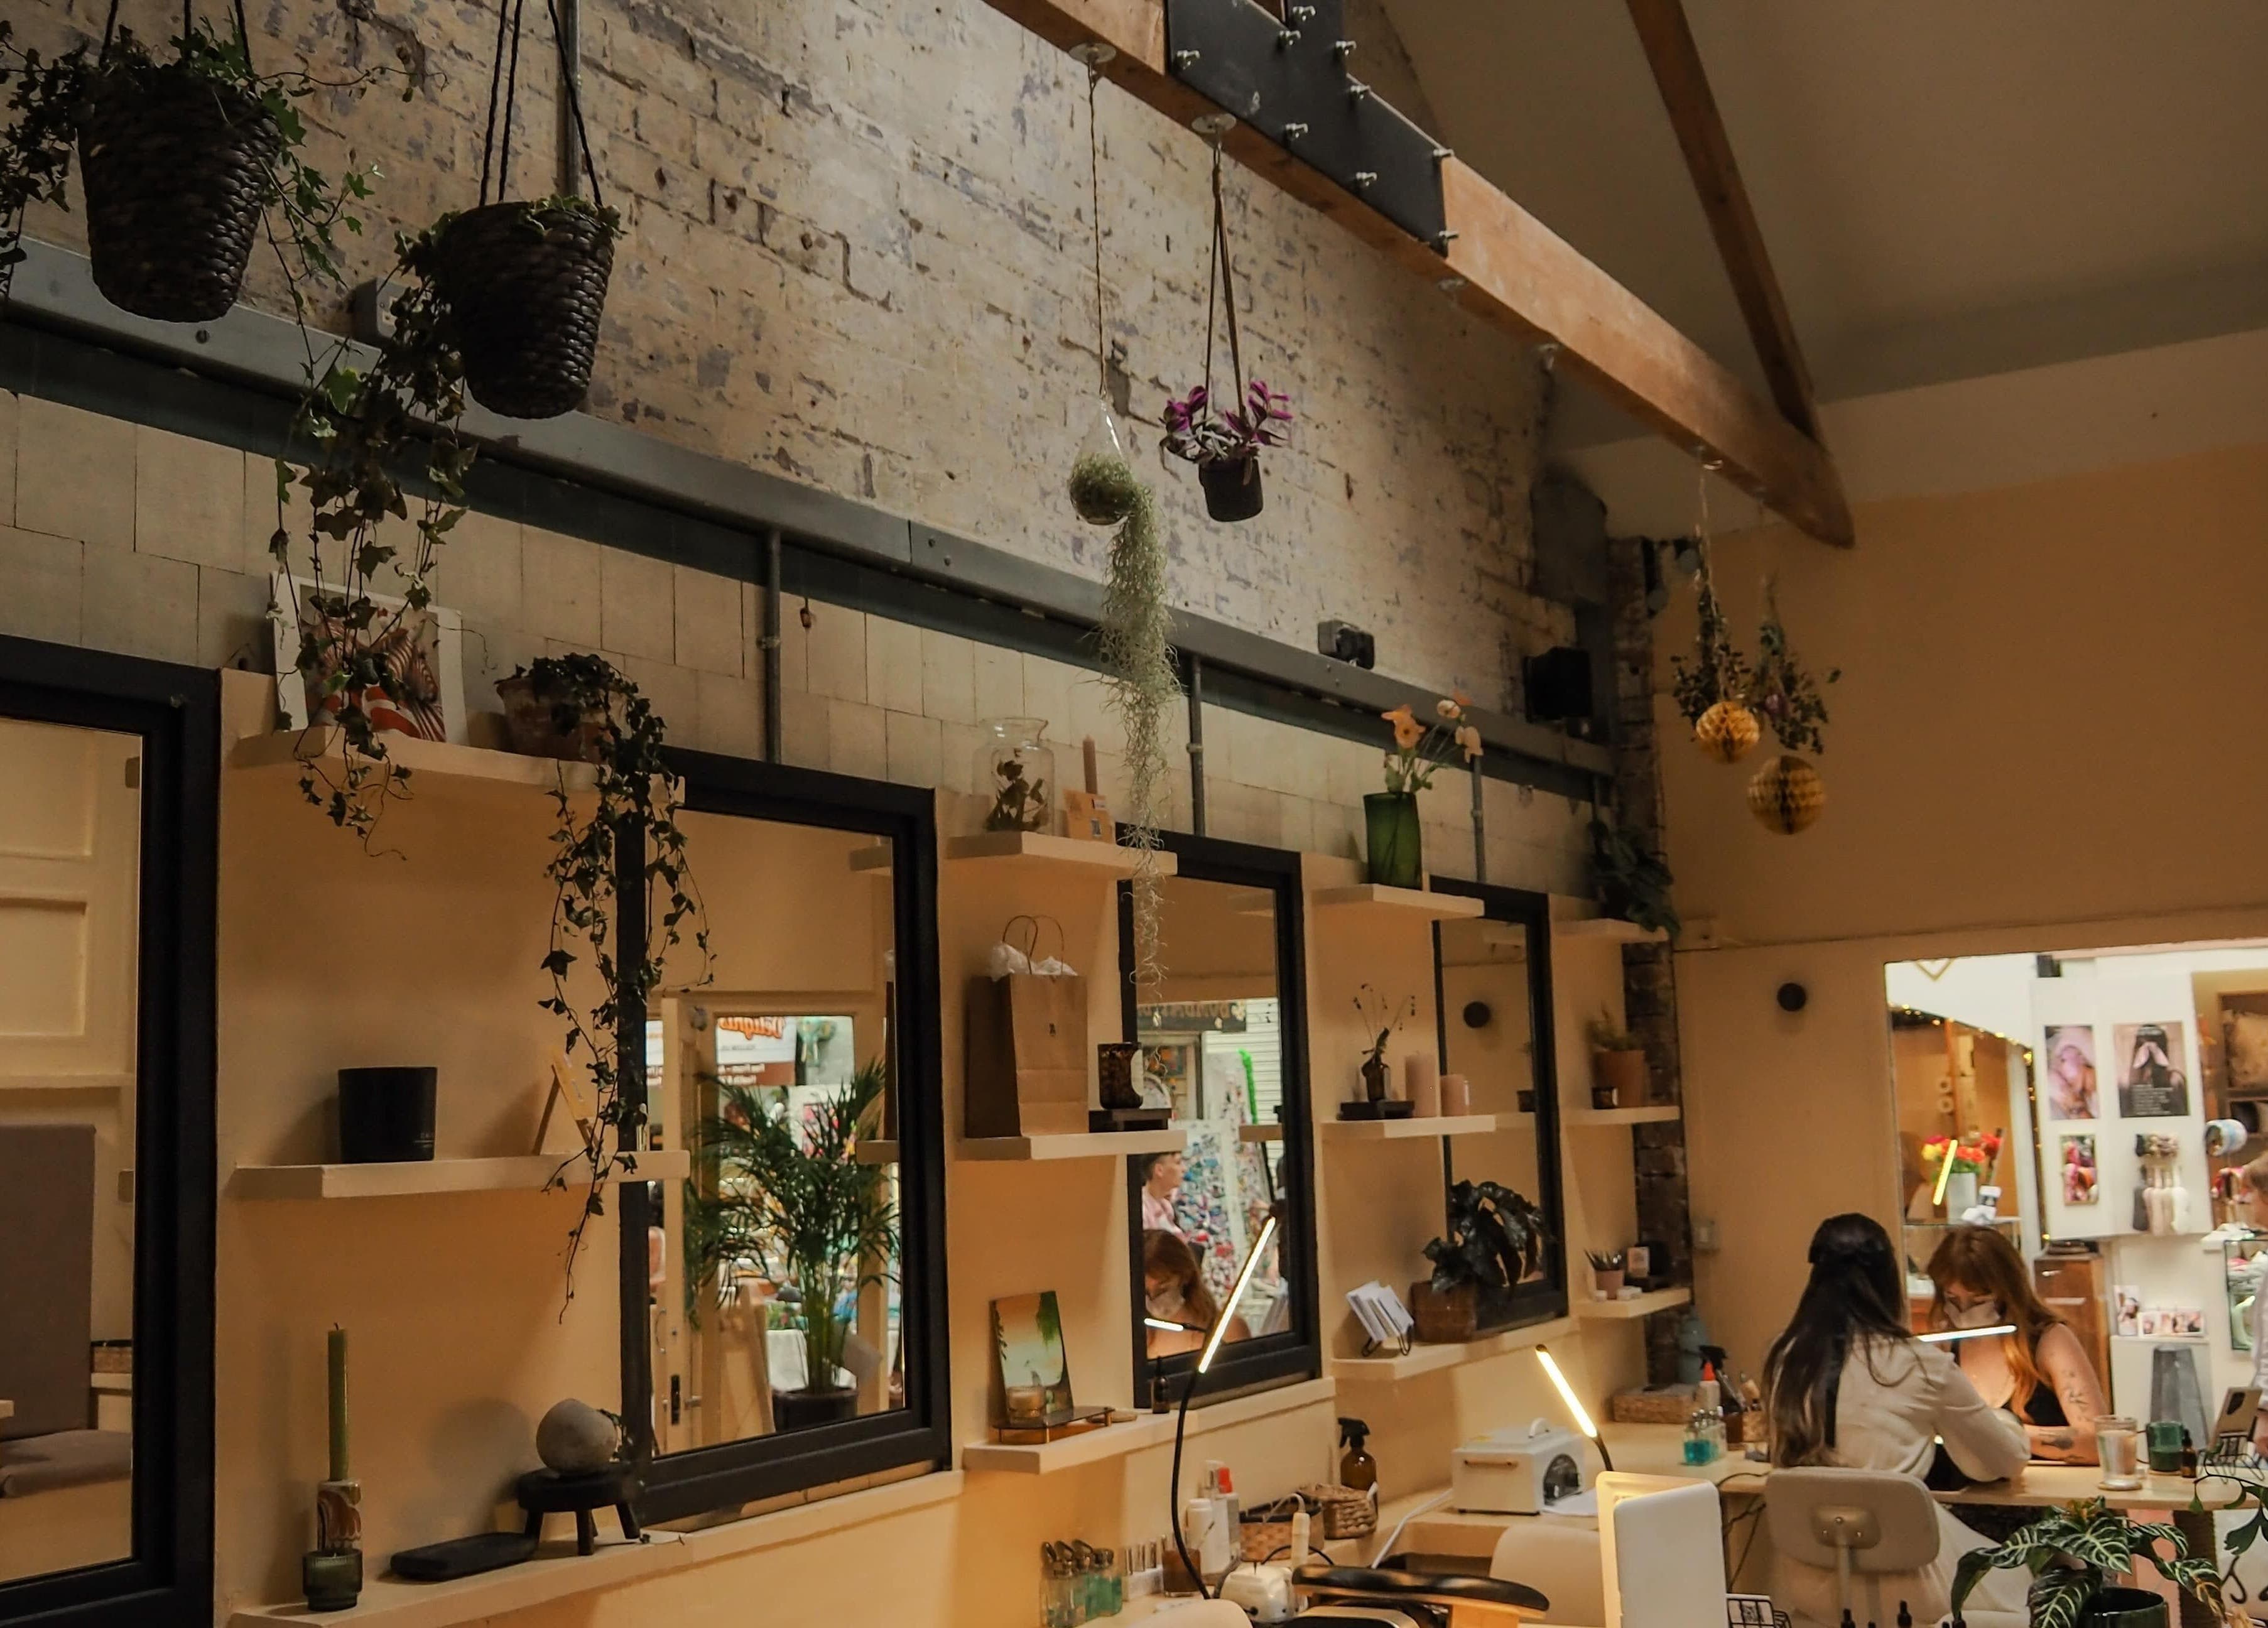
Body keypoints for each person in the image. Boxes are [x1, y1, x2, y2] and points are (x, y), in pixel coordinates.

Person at [1763, 1213, 2029, 1625]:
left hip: (1812, 1583)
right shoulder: (1920, 1364)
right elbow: (1998, 1463)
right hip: (1912, 1581)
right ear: (1889, 1281)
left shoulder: (1784, 1360)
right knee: (2031, 1580)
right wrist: (2004, 1422)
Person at [1926, 1225, 2108, 1464]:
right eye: (1953, 1299)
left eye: (1980, 1299)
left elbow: (2097, 1442)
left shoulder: (2050, 1340)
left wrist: (2001, 1432)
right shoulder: (1944, 1346)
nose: (1964, 1311)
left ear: (2006, 1291)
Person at [1142, 1229, 1246, 1357]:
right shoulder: (1137, 1343)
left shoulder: (1226, 1330)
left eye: (1162, 1289)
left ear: (1185, 1276)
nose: (1154, 1299)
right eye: (1146, 1293)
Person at [1140, 1150, 1185, 1235]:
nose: (1184, 1169)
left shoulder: (1166, 1207)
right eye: (1178, 1163)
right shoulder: (1142, 1211)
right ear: (1159, 1170)